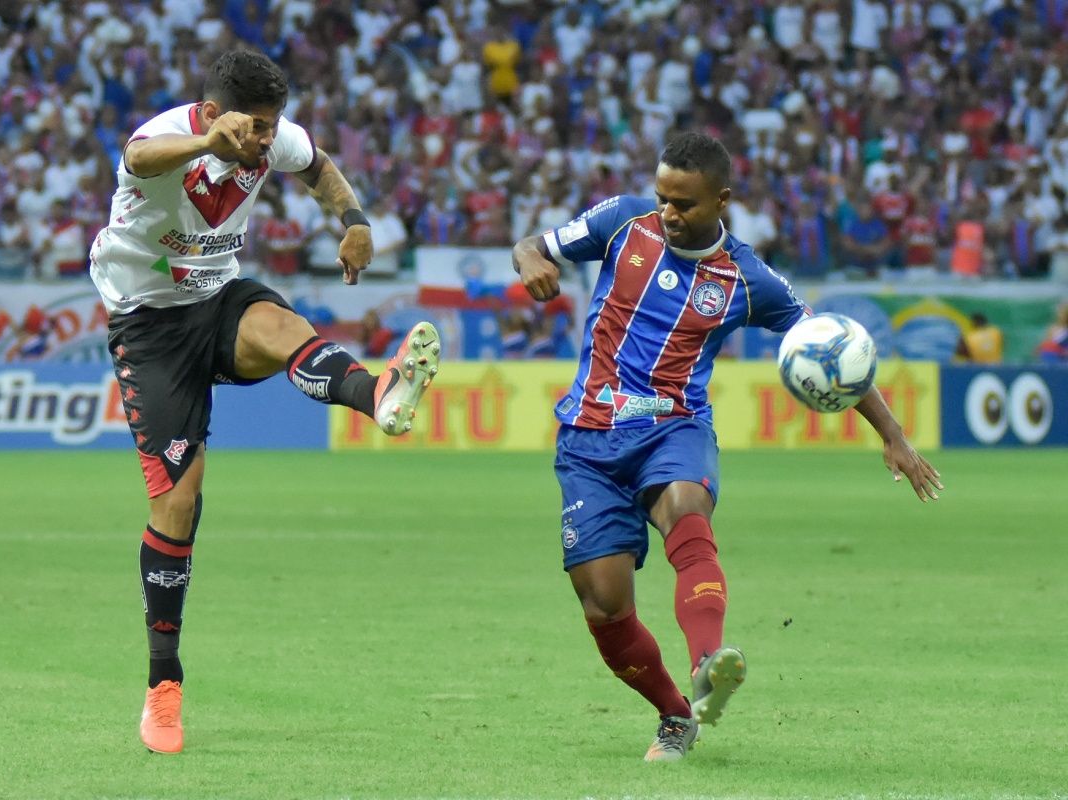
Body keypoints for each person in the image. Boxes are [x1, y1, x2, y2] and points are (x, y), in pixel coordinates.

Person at [511, 132, 941, 763]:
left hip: (673, 425)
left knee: (687, 509)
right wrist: (529, 261)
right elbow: (533, 245)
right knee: (604, 605)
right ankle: (675, 716)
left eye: (683, 203)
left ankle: (708, 663)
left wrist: (894, 435)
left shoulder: (747, 278)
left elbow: (827, 348)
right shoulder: (620, 221)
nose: (668, 212)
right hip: (589, 439)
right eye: (662, 198)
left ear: (722, 200)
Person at [88, 51, 442, 755]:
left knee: (286, 329)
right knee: (178, 508)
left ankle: (381, 394)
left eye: (270, 129)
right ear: (215, 114)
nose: (263, 142)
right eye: (252, 130)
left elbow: (316, 165)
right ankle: (163, 685)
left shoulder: (268, 133)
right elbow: (141, 155)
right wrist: (204, 143)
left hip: (218, 298)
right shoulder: (173, 138)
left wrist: (354, 218)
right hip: (149, 327)